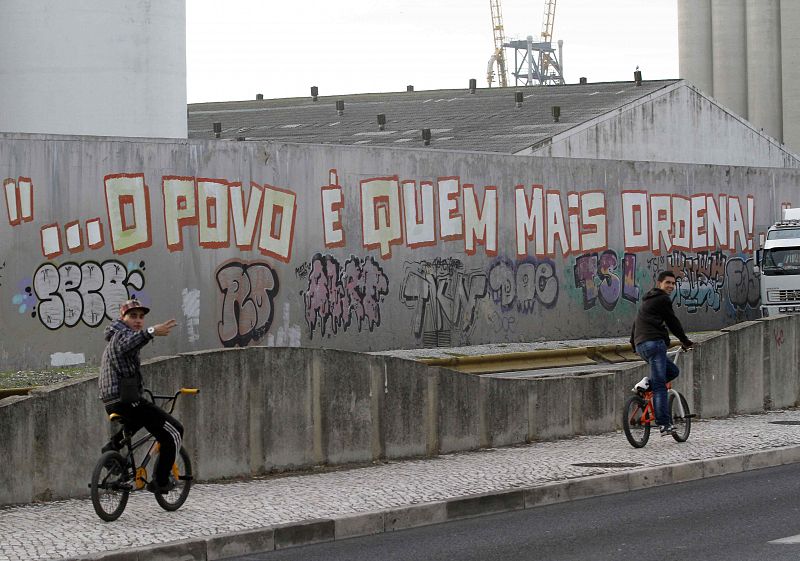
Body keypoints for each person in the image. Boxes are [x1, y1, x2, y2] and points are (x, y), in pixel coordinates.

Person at [98, 298, 180, 494]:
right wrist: (151, 331)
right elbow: (129, 344)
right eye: (133, 316)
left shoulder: (117, 336)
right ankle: (160, 481)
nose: (138, 320)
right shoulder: (121, 336)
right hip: (125, 400)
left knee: (139, 419)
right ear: (122, 318)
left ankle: (112, 447)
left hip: (115, 401)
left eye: (141, 317)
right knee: (175, 432)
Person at [629, 271, 694, 436]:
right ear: (660, 283)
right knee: (660, 387)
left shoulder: (647, 301)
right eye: (668, 283)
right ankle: (664, 424)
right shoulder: (663, 299)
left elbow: (636, 323)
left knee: (673, 371)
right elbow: (672, 321)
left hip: (641, 345)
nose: (671, 286)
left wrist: (634, 345)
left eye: (673, 283)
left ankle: (646, 383)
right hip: (655, 344)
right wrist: (685, 341)